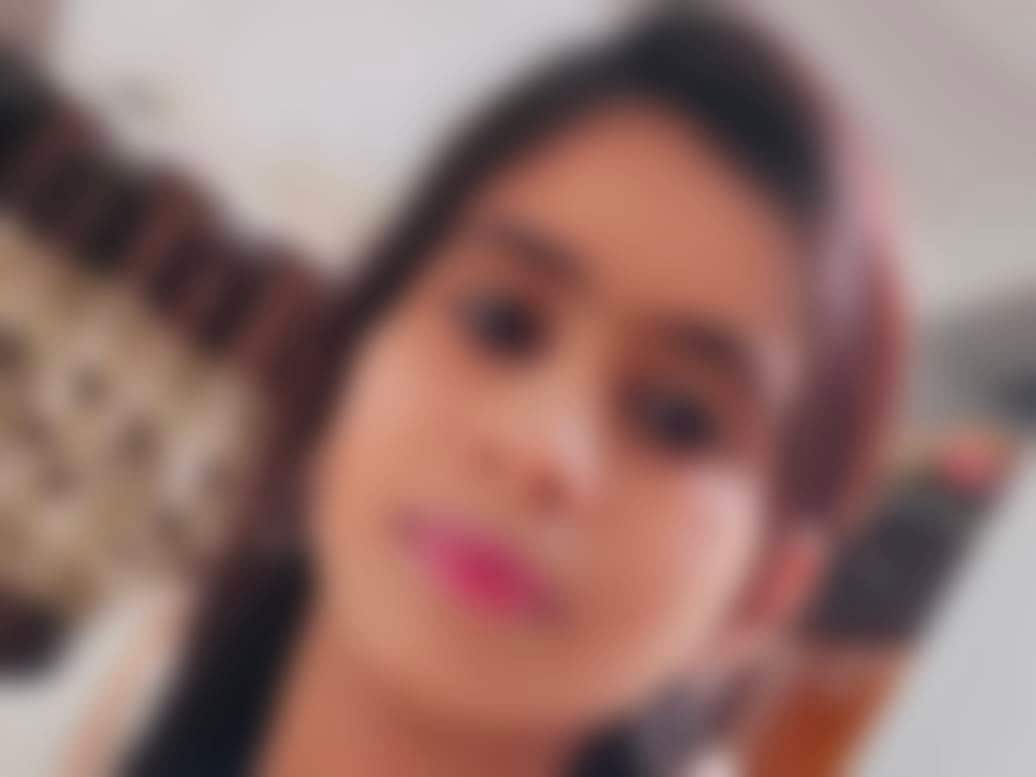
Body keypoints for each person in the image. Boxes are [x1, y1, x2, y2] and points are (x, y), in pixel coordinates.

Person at [108, 6, 905, 777]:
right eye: (500, 322)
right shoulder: (126, 685)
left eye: (678, 419)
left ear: (762, 596)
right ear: (355, 348)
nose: (540, 447)